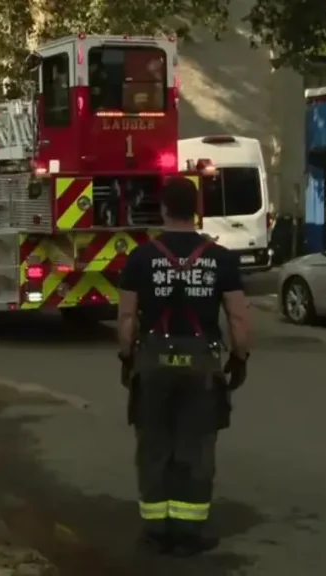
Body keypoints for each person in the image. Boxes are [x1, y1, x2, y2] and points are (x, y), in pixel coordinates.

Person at [116, 176, 251, 556]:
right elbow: (239, 319)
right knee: (195, 448)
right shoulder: (220, 258)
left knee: (154, 447)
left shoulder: (141, 258)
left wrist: (127, 358)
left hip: (153, 362)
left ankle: (156, 530)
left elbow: (127, 318)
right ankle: (189, 533)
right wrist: (239, 358)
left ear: (162, 209)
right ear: (196, 209)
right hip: (201, 364)